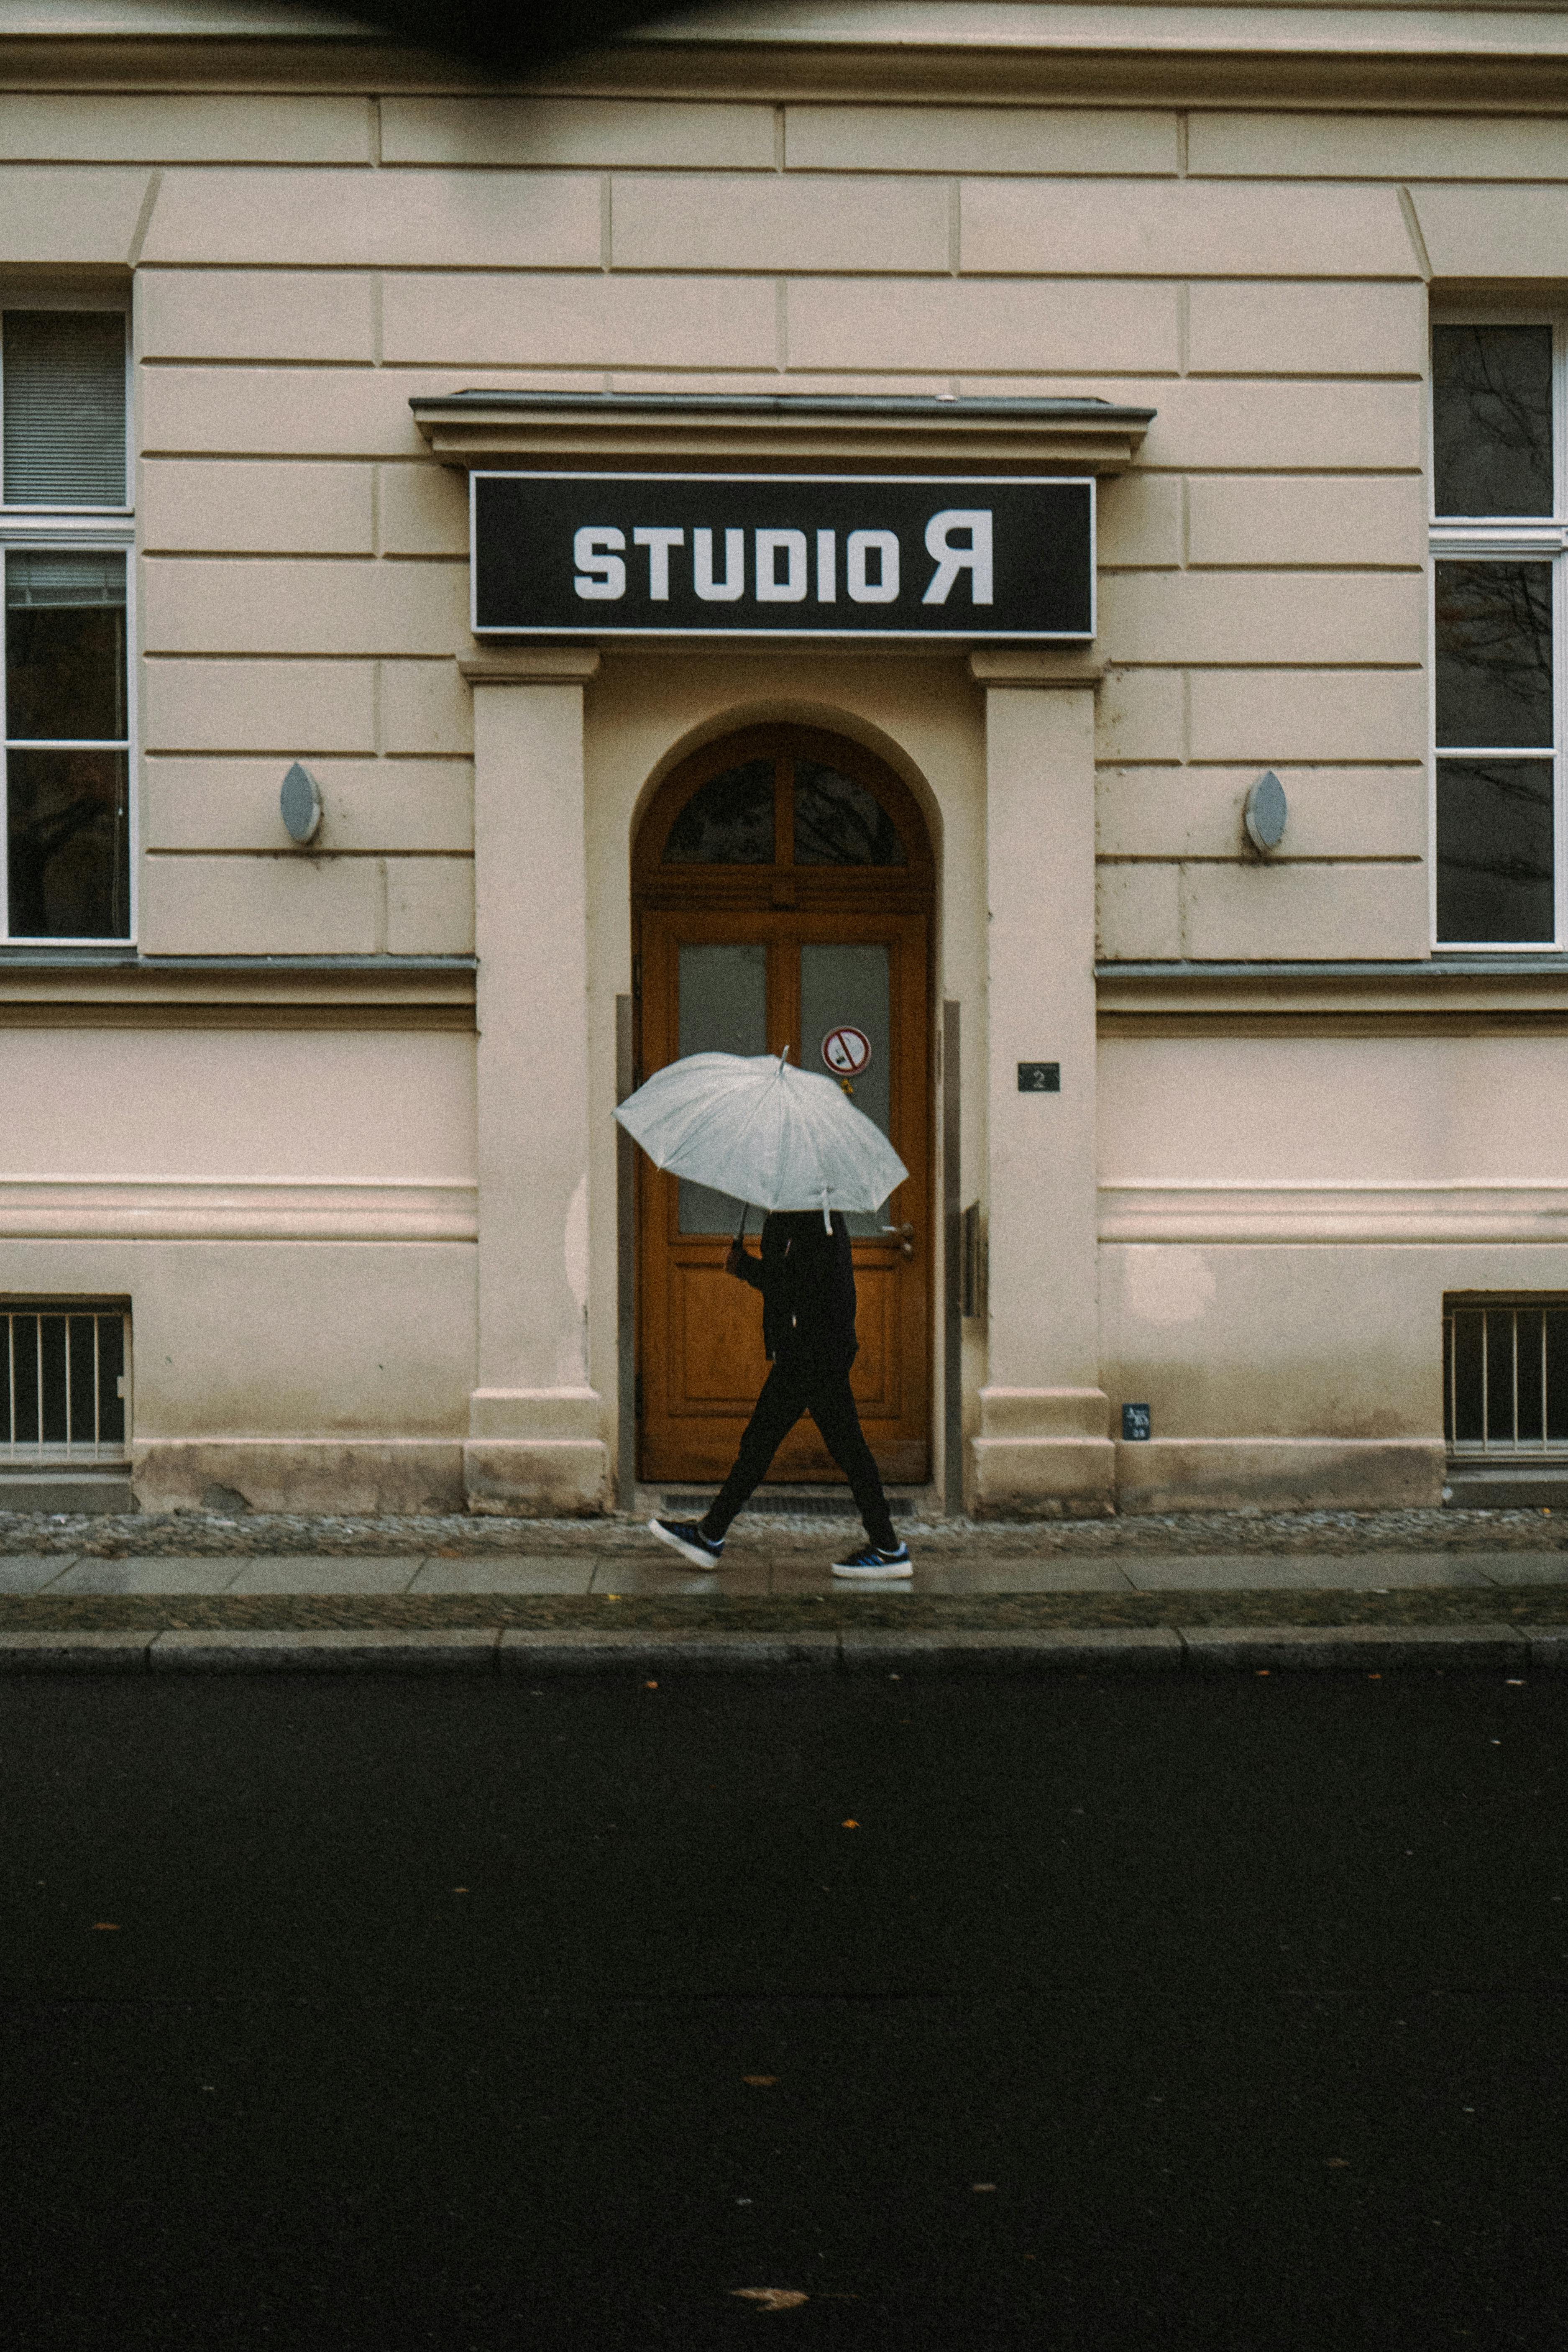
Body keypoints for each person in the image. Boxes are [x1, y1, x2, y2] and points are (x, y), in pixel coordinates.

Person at [649, 1207, 911, 1579]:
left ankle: (888, 1548)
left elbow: (798, 1283)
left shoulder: (817, 1220)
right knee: (780, 1443)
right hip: (807, 1348)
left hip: (815, 1352)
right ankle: (711, 1533)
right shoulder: (798, 1215)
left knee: (823, 1447)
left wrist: (744, 1267)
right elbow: (790, 1277)